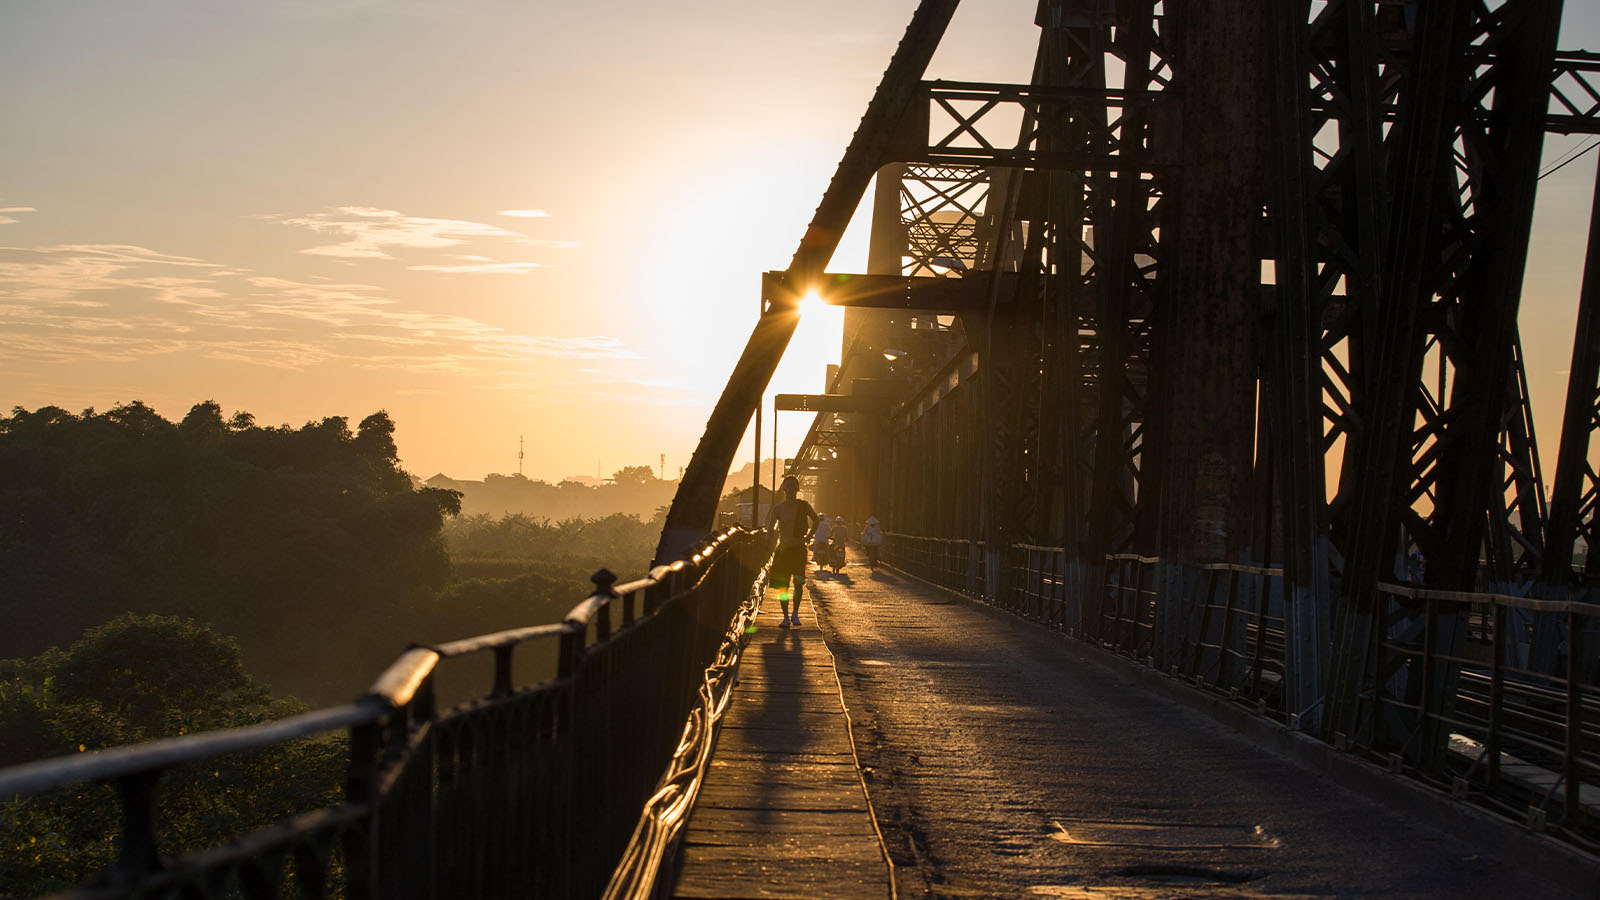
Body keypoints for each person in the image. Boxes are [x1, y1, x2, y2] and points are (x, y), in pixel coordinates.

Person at [767, 475, 819, 628]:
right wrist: (768, 542)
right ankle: (785, 617)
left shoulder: (804, 506)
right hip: (783, 550)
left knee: (798, 582)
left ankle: (795, 613)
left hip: (799, 549)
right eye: (788, 486)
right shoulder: (778, 508)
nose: (790, 488)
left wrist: (809, 536)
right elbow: (770, 527)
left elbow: (816, 520)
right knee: (783, 585)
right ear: (784, 488)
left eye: (793, 486)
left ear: (797, 488)